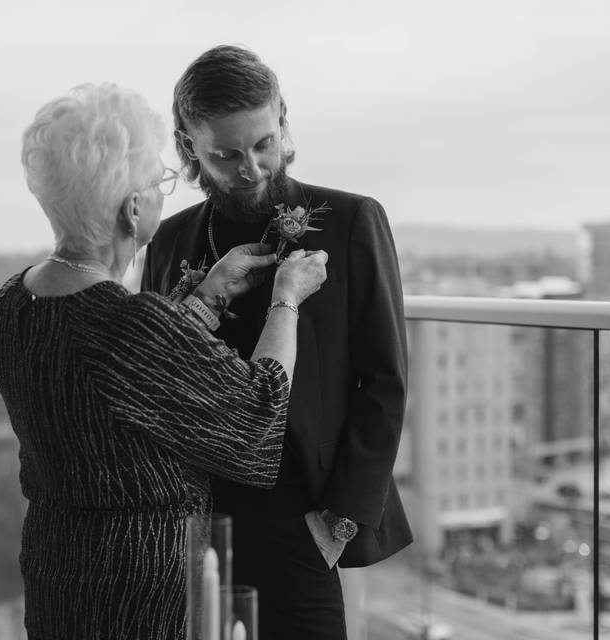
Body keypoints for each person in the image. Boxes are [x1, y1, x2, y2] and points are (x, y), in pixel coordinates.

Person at [0, 82, 328, 640]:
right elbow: (257, 423)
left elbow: (119, 389)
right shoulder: (128, 324)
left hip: (56, 574)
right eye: (158, 181)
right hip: (140, 596)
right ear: (132, 209)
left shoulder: (15, 301)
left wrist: (207, 298)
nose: (164, 192)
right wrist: (285, 300)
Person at [142, 45, 413, 639]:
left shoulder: (352, 220)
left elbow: (385, 382)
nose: (253, 168)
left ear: (283, 122)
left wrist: (336, 524)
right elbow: (157, 385)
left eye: (264, 143)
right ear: (190, 149)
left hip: (304, 521)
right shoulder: (168, 241)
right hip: (195, 522)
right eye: (227, 154)